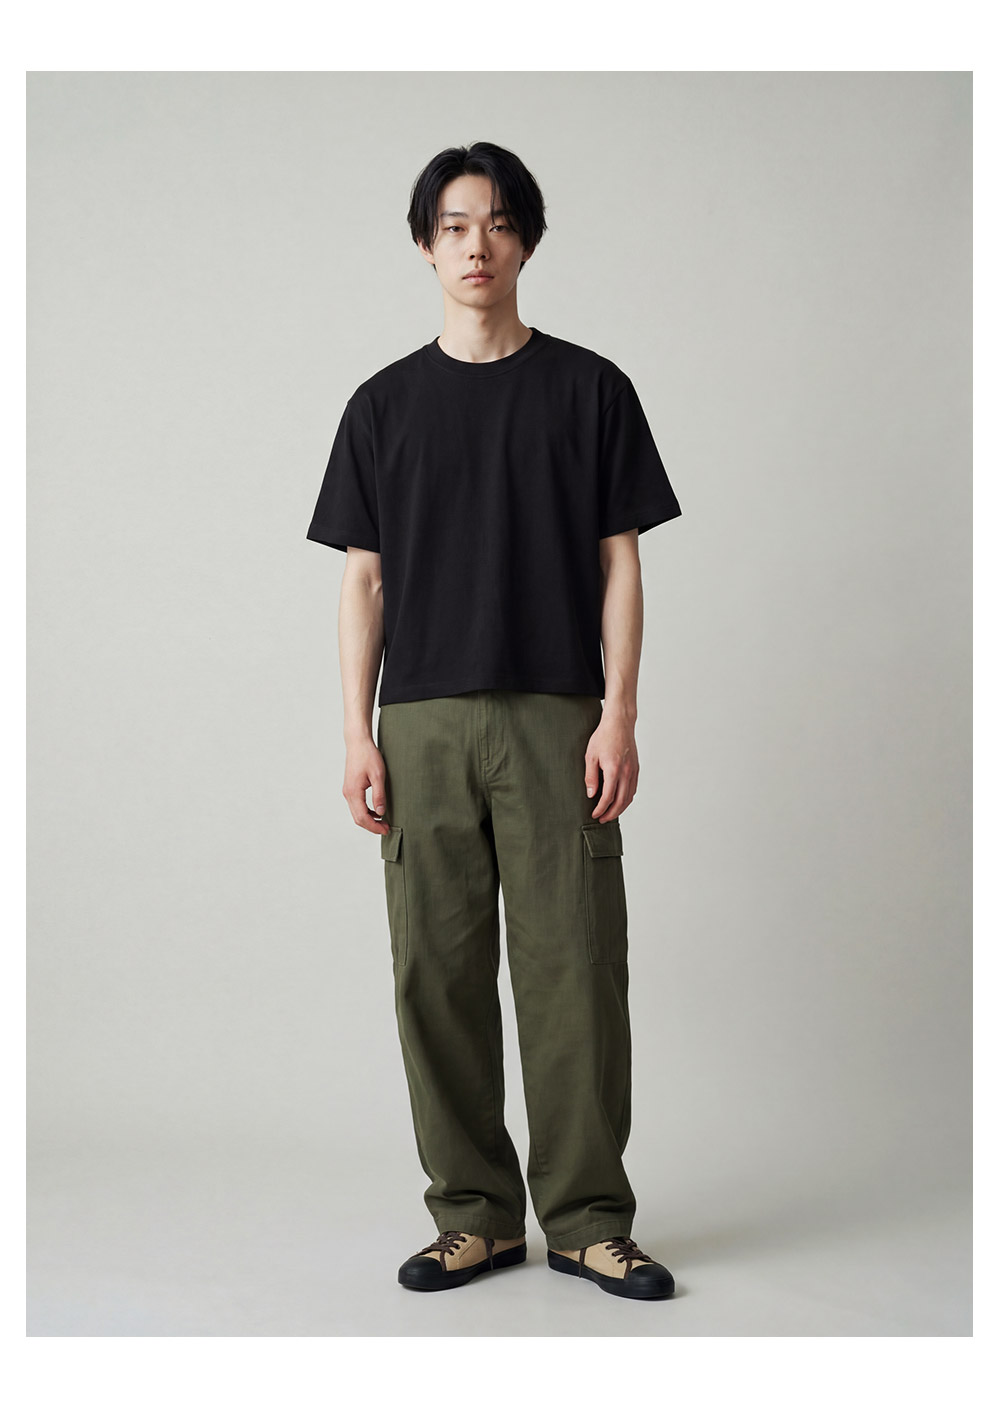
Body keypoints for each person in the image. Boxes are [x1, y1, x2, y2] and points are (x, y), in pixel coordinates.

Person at [306, 141, 682, 1301]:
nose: (478, 244)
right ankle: (472, 1216)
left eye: (500, 223)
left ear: (527, 241)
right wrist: (357, 734)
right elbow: (363, 580)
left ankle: (588, 1220)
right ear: (425, 245)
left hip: (556, 716)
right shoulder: (382, 405)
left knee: (577, 972)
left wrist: (618, 715)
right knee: (437, 974)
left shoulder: (590, 390)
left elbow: (620, 566)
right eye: (456, 225)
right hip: (420, 722)